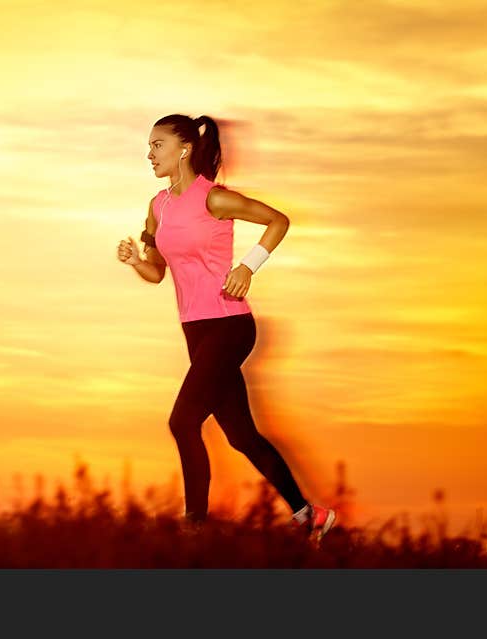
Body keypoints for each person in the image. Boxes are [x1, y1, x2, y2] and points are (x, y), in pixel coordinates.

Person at [117, 113, 335, 542]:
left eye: (157, 145)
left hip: (230, 325)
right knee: (242, 436)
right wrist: (136, 261)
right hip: (196, 331)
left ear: (183, 149)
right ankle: (311, 516)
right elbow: (157, 272)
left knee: (182, 422)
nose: (149, 153)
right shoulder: (157, 206)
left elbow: (278, 221)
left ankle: (194, 526)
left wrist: (248, 267)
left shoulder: (214, 199)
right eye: (149, 146)